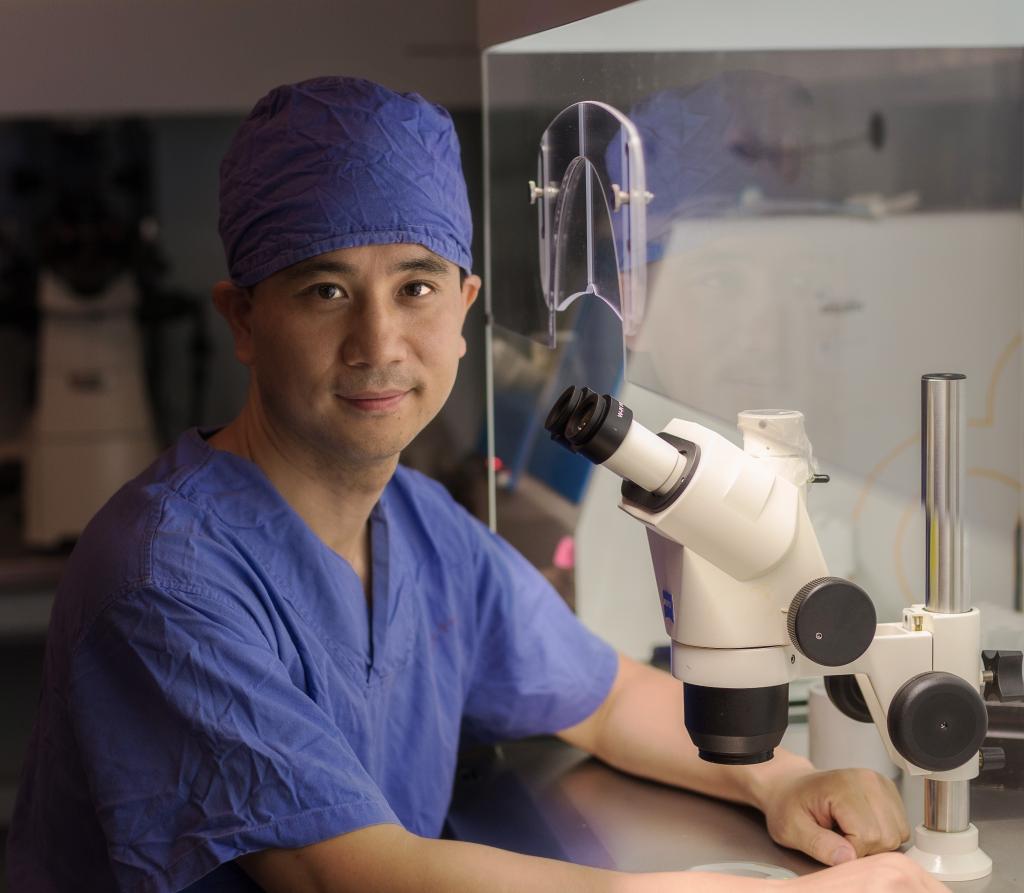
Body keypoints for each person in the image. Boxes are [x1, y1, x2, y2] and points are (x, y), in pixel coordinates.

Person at [7, 77, 945, 893]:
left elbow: (607, 699)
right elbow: (350, 874)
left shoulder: (416, 524)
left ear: (463, 310)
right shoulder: (162, 574)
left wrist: (781, 779)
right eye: (325, 290)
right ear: (243, 319)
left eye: (415, 287)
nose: (378, 343)